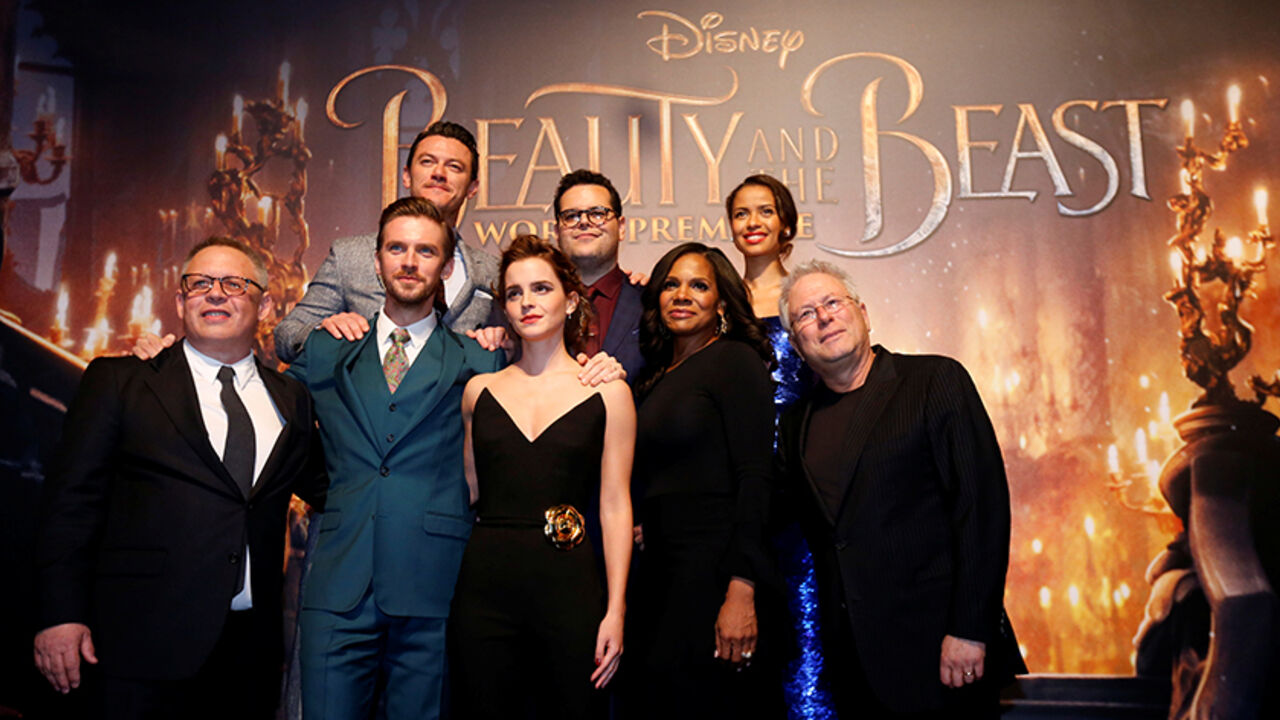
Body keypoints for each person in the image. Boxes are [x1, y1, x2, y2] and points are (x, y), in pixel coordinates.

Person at [32, 238, 326, 720]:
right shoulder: (121, 380)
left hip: (248, 657)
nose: (215, 293)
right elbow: (70, 504)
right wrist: (59, 615)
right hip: (136, 647)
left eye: (234, 284)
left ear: (266, 306)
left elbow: (330, 488)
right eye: (199, 284)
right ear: (179, 301)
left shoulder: (292, 399)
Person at [776, 261, 1025, 719]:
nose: (824, 317)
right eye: (806, 314)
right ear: (795, 343)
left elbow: (981, 510)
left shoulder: (934, 381)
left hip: (944, 653)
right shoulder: (796, 424)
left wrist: (970, 629)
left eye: (833, 302)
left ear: (863, 313)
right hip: (854, 665)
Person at [285, 197, 503, 719]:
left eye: (426, 251)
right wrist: (331, 493)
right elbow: (271, 421)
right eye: (397, 248)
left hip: (436, 586)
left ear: (446, 268)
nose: (409, 262)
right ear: (377, 261)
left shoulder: (481, 359)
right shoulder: (327, 349)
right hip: (339, 583)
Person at [448, 235, 634, 719]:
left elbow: (615, 505)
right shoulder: (478, 392)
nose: (527, 302)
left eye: (541, 289)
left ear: (571, 301)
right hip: (485, 591)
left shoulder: (608, 391)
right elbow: (472, 492)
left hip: (570, 587)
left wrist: (615, 610)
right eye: (514, 293)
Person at [626, 242, 783, 717]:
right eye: (671, 285)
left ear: (721, 303)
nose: (682, 295)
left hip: (716, 578)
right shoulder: (656, 377)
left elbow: (757, 477)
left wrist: (742, 588)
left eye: (698, 285)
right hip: (660, 580)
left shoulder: (735, 361)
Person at [724, 174, 831, 715]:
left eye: (765, 211)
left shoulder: (807, 295)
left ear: (786, 223)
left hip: (799, 482)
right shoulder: (718, 298)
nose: (753, 223)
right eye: (741, 213)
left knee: (804, 626)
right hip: (731, 484)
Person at [273, 120, 500, 361]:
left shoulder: (491, 270)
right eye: (427, 162)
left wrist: (505, 343)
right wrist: (324, 332)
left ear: (473, 187)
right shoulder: (348, 256)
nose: (438, 173)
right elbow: (287, 335)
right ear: (406, 175)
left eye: (454, 166)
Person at [551, 169, 644, 380]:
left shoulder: (651, 301)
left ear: (621, 227)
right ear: (557, 232)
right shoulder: (529, 305)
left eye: (598, 213)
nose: (584, 222)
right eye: (571, 216)